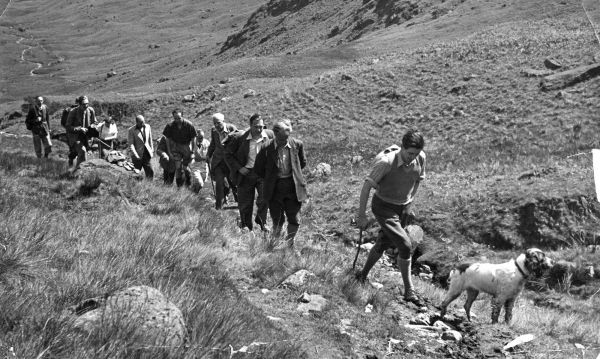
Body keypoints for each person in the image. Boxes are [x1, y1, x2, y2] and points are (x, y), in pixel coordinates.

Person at [355, 129, 426, 306]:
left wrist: (410, 202)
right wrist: (362, 215)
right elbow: (366, 187)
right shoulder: (386, 163)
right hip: (383, 206)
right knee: (405, 245)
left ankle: (361, 276)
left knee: (383, 242)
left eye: (416, 154)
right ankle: (409, 291)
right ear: (402, 147)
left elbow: (417, 180)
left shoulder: (421, 157)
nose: (412, 157)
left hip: (402, 207)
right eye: (410, 153)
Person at [255, 120, 308, 246]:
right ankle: (275, 244)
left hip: (293, 187)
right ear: (275, 134)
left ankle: (290, 243)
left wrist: (294, 175)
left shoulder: (297, 145)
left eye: (287, 138)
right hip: (274, 188)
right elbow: (258, 168)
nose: (284, 141)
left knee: (294, 219)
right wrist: (270, 178)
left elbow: (302, 163)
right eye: (281, 139)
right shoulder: (266, 148)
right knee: (277, 219)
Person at [225, 113, 273, 231]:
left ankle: (262, 221)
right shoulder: (240, 138)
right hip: (245, 174)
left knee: (264, 199)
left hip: (262, 174)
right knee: (245, 203)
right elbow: (227, 155)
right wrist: (239, 168)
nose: (259, 129)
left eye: (261, 126)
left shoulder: (270, 136)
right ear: (250, 125)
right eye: (256, 126)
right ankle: (247, 227)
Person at [207, 113, 237, 209]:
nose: (216, 125)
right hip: (218, 160)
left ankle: (239, 201)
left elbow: (238, 142)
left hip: (230, 161)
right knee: (219, 183)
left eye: (218, 123)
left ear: (223, 121)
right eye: (214, 123)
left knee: (233, 182)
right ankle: (218, 206)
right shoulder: (214, 130)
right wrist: (208, 154)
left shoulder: (231, 128)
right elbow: (213, 143)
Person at [162, 109, 197, 187]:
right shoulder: (170, 125)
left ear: (182, 116)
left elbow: (193, 138)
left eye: (179, 118)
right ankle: (179, 186)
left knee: (185, 168)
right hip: (176, 147)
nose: (177, 120)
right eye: (175, 118)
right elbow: (167, 139)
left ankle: (188, 182)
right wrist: (169, 152)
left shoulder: (189, 125)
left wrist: (192, 152)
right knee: (178, 167)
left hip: (186, 147)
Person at [65, 95, 97, 169]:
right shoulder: (73, 112)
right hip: (75, 136)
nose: (86, 106)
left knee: (80, 153)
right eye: (84, 104)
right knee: (82, 151)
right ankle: (78, 171)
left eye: (87, 104)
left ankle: (77, 169)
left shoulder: (91, 110)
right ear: (79, 104)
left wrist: (92, 126)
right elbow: (68, 126)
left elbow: (95, 122)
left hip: (87, 137)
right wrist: (80, 129)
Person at [127, 115, 154, 179]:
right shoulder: (131, 130)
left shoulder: (148, 127)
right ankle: (136, 187)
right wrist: (136, 155)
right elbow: (131, 144)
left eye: (143, 121)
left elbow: (150, 138)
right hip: (137, 156)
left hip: (147, 154)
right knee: (136, 174)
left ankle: (149, 186)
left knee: (150, 172)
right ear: (137, 122)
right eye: (141, 122)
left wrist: (152, 149)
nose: (143, 123)